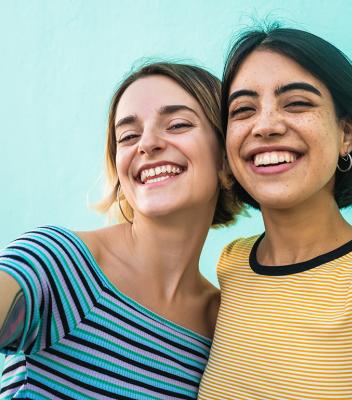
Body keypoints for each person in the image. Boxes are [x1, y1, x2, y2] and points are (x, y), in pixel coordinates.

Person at [0, 62, 241, 399]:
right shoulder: (58, 261)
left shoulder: (225, 326)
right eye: (128, 136)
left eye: (177, 124)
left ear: (226, 157)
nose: (148, 144)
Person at [198, 24, 352, 399]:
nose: (266, 126)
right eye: (243, 109)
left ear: (346, 134)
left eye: (297, 103)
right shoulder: (232, 265)